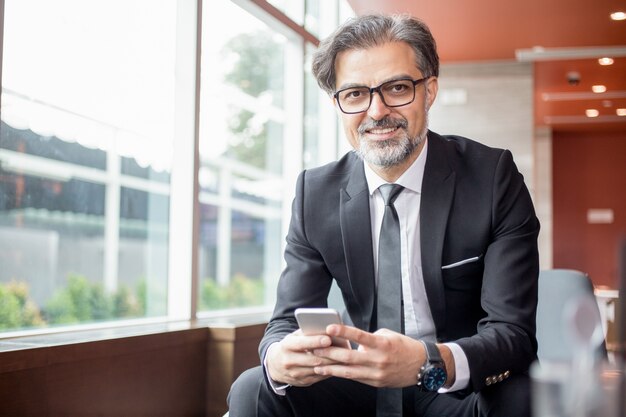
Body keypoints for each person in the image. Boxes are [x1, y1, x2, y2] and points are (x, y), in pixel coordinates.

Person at [228, 13, 540, 417]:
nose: (376, 111)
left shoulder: (492, 178)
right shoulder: (315, 192)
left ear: (429, 90)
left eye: (396, 88)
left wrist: (429, 361)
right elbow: (284, 323)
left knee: (521, 397)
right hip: (357, 383)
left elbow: (513, 334)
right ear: (338, 104)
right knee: (255, 387)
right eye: (355, 94)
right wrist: (279, 358)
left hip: (453, 387)